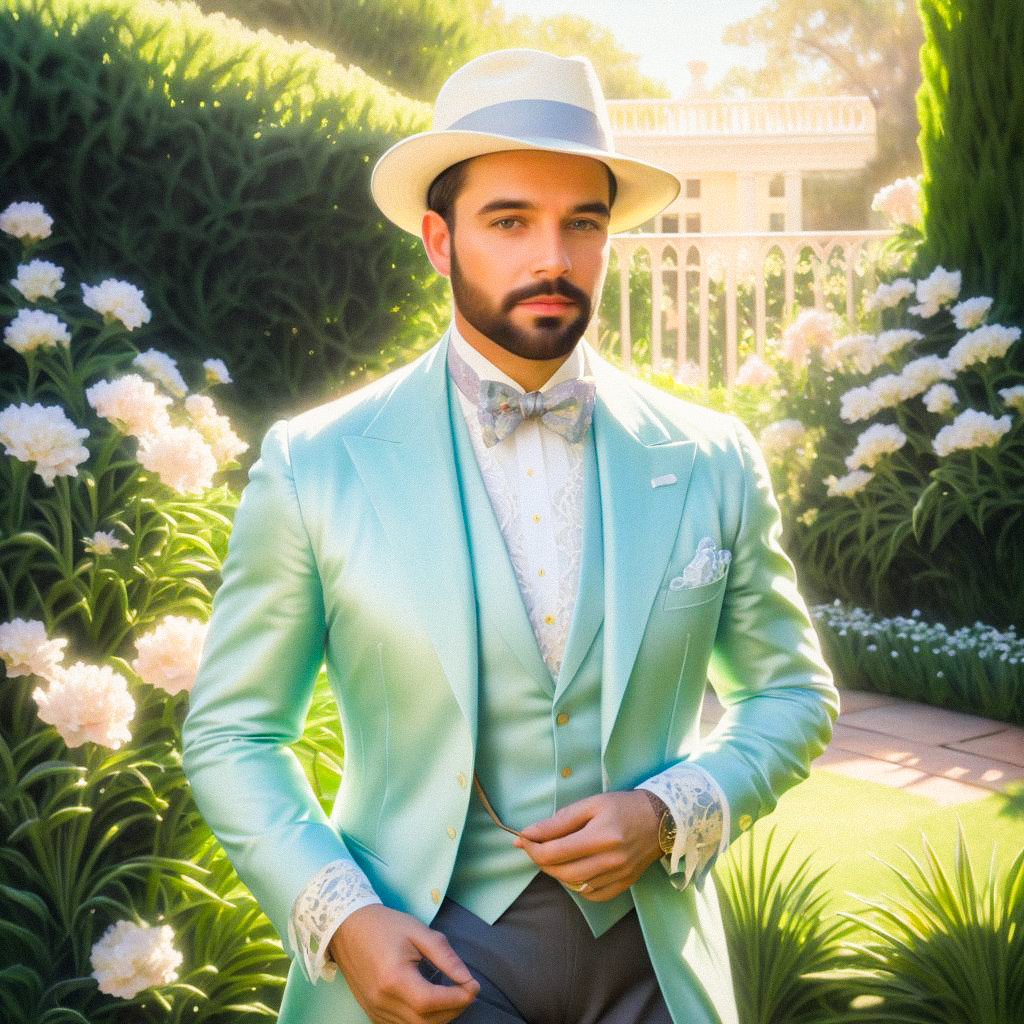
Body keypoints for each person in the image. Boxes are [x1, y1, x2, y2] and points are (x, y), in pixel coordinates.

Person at [181, 48, 840, 1024]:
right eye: (510, 221)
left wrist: (673, 808)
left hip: (655, 971)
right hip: (423, 964)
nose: (553, 258)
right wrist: (346, 918)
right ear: (439, 242)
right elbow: (235, 730)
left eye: (583, 223)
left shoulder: (709, 457)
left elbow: (791, 691)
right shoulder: (317, 464)